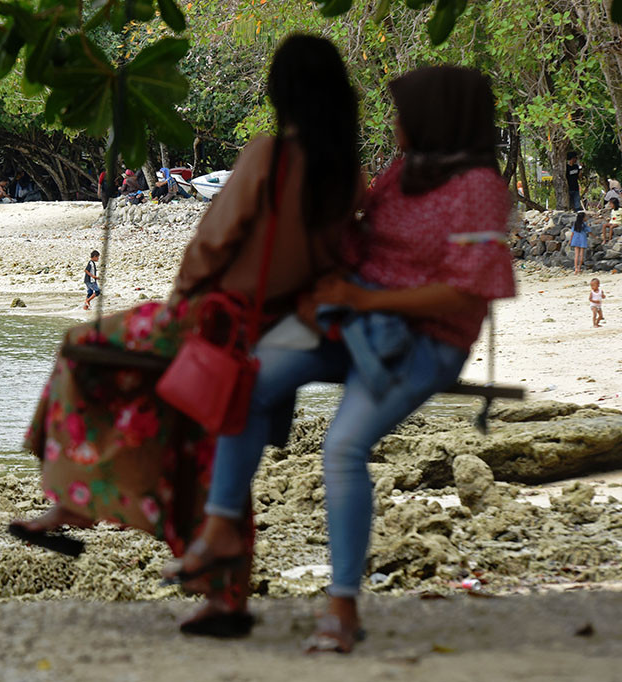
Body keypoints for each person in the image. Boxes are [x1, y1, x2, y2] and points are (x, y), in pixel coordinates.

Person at [10, 34, 362, 638]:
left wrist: (181, 299)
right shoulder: (346, 176)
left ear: (281, 92)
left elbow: (216, 239)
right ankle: (225, 603)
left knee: (86, 350)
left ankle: (74, 496)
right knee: (208, 449)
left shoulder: (270, 154)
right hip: (276, 331)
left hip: (215, 318)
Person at [174, 65, 516, 652]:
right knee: (245, 380)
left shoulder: (479, 188)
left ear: (438, 118)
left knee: (343, 447)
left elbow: (467, 291)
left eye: (407, 114)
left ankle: (342, 607)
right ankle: (222, 528)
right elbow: (358, 239)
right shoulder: (403, 173)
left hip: (425, 339)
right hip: (352, 318)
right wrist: (321, 294)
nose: (398, 125)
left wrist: (362, 297)